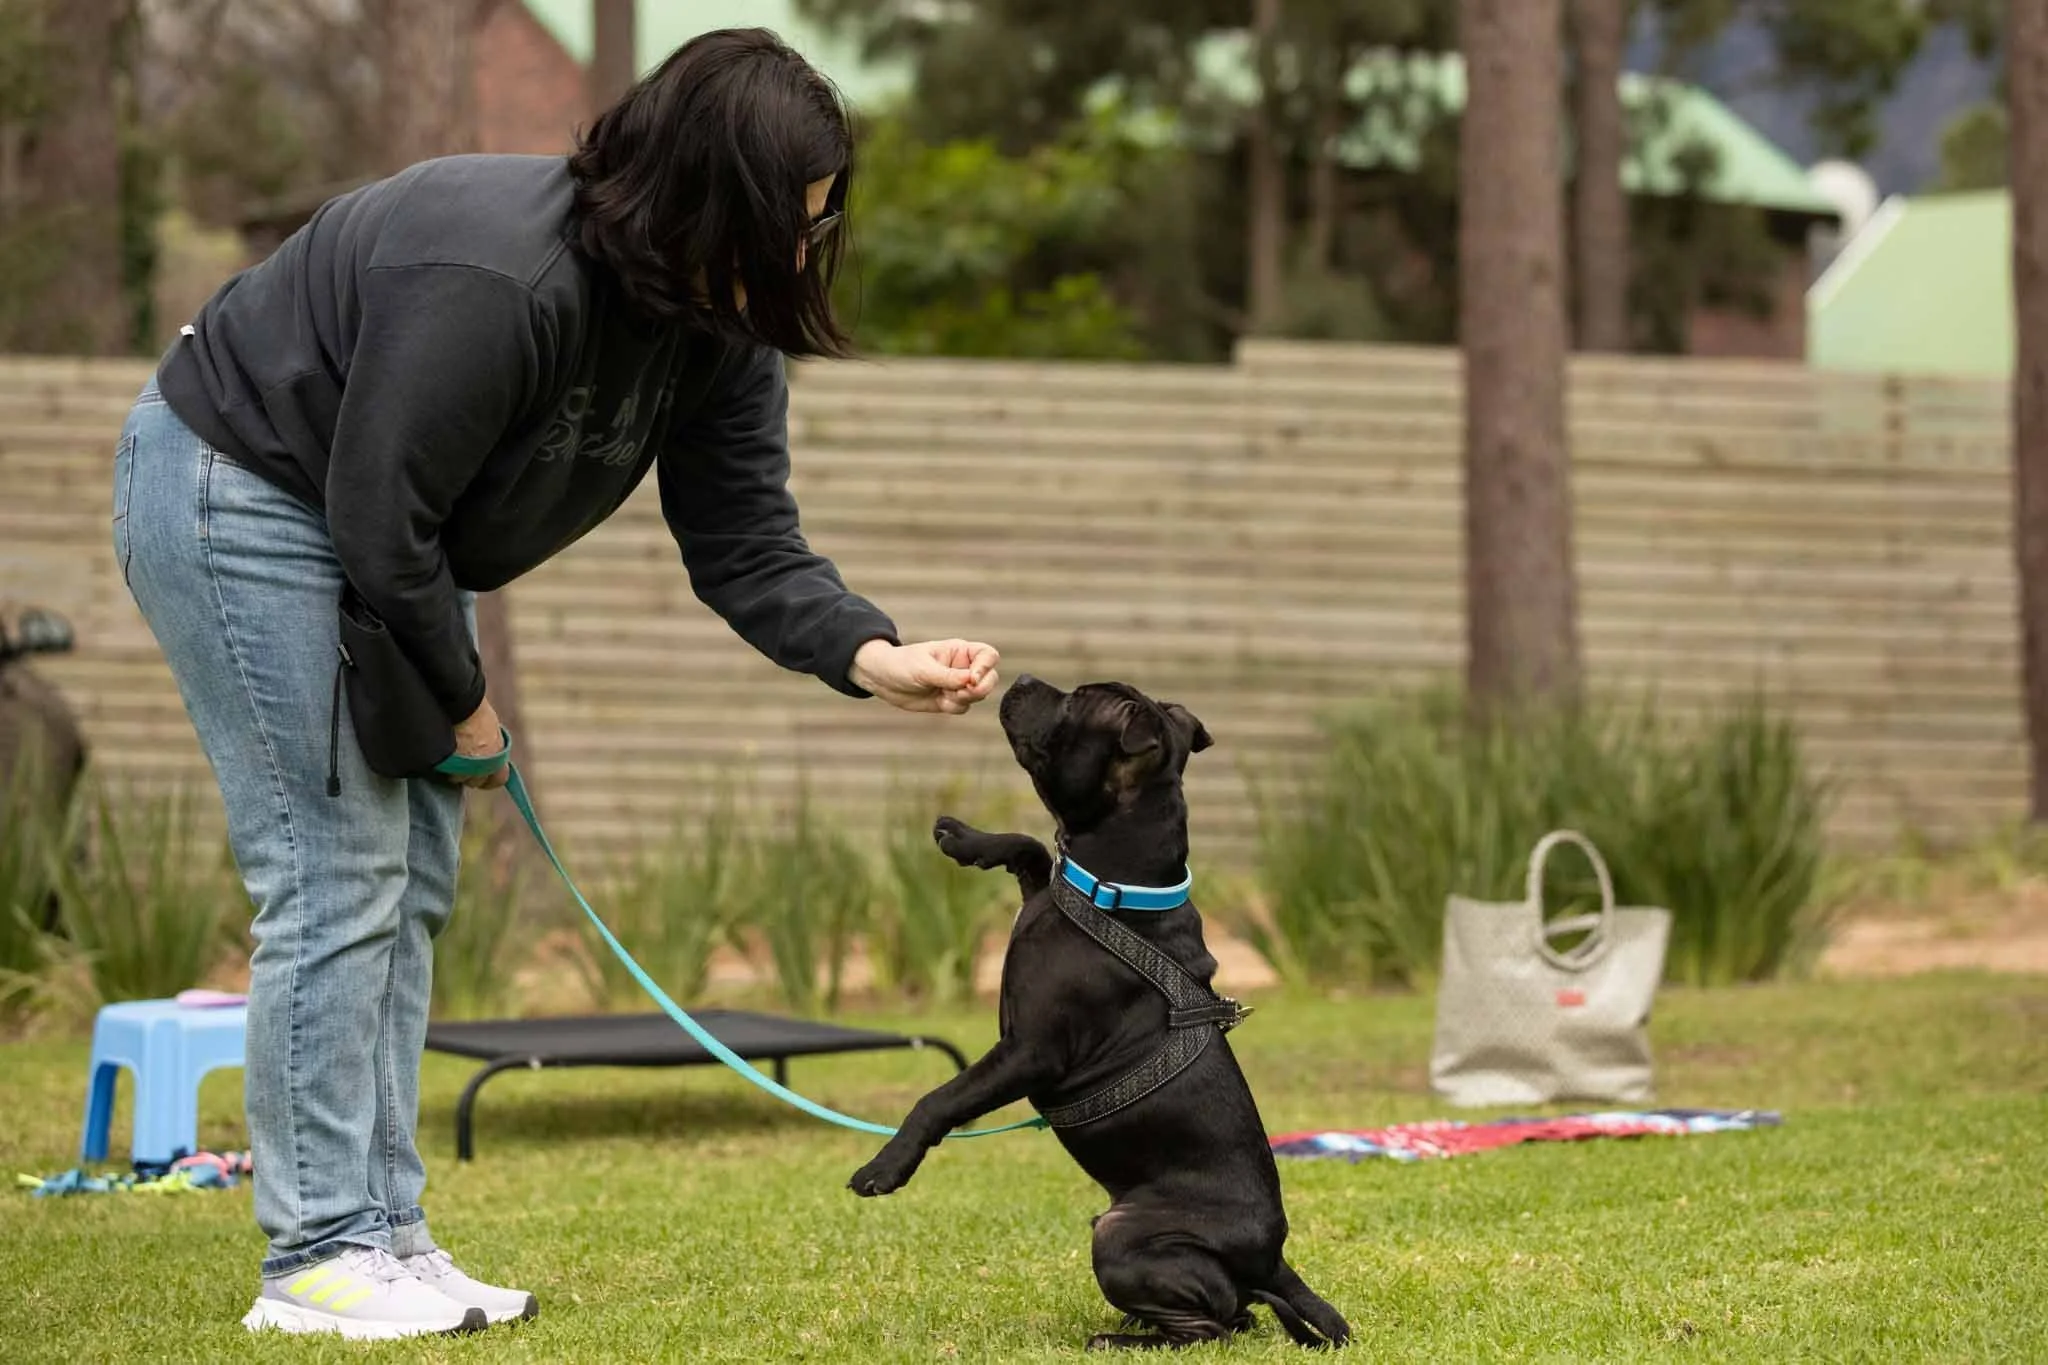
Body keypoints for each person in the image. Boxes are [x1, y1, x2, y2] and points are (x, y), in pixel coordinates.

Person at [113, 28, 999, 1341]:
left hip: (385, 536)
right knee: (332, 871)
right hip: (243, 489)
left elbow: (748, 543)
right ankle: (316, 1256)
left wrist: (874, 656)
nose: (809, 249)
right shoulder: (500, 275)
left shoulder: (719, 332)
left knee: (404, 880)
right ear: (712, 196)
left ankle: (389, 1235)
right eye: (793, 221)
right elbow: (375, 510)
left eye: (822, 222)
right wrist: (466, 698)